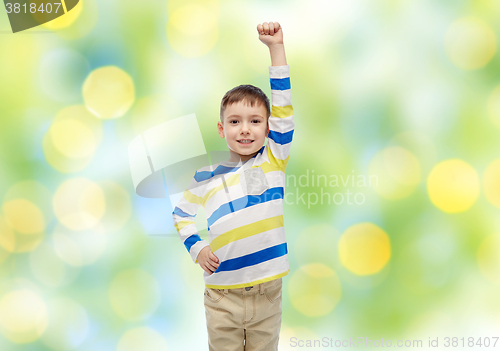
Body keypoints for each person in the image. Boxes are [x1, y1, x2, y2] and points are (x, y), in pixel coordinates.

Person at [172, 21, 294, 351]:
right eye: (235, 121)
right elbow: (181, 214)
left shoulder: (272, 160)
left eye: (255, 121)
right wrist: (197, 248)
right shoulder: (205, 176)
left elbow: (284, 109)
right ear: (221, 128)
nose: (244, 130)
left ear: (268, 128)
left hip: (267, 295)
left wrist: (276, 48)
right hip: (221, 298)